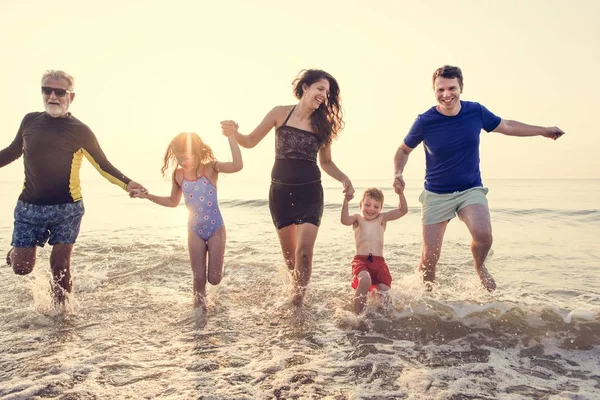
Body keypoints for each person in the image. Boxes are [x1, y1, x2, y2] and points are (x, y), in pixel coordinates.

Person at [393, 65, 565, 292]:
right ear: (434, 91)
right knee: (429, 259)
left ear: (461, 87)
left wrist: (542, 130)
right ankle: (429, 303)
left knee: (483, 235)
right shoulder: (425, 121)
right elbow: (403, 150)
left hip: (469, 189)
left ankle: (479, 266)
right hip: (436, 193)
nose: (446, 94)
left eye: (451, 88)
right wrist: (398, 173)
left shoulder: (475, 112)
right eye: (440, 90)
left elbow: (507, 125)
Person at [0, 70, 146, 304]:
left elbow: (103, 164)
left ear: (71, 96)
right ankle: (17, 251)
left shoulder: (80, 131)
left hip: (67, 209)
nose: (53, 96)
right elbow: (12, 151)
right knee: (22, 268)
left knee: (60, 266)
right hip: (29, 207)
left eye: (60, 92)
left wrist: (128, 183)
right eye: (47, 90)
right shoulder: (30, 121)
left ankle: (63, 316)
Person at [221, 69, 355, 306]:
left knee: (304, 253)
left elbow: (325, 162)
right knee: (292, 261)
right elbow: (250, 141)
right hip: (281, 193)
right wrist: (234, 133)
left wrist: (344, 178)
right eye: (320, 89)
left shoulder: (323, 125)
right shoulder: (279, 114)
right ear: (305, 87)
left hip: (310, 192)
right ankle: (297, 296)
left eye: (327, 92)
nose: (324, 95)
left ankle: (298, 306)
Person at [130, 131, 242, 309]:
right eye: (178, 158)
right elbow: (173, 202)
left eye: (186, 158)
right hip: (194, 230)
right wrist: (147, 196)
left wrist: (231, 137)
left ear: (196, 152)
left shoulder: (211, 168)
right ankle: (199, 317)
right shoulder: (178, 175)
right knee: (198, 278)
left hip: (215, 229)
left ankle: (221, 269)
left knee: (213, 279)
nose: (182, 162)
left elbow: (237, 165)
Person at [341, 188, 408, 313]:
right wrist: (346, 201)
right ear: (360, 205)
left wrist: (400, 193)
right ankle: (357, 315)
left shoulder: (382, 218)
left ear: (381, 208)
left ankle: (381, 317)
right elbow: (344, 220)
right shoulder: (357, 219)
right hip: (361, 261)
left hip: (379, 262)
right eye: (367, 205)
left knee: (384, 291)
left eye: (376, 206)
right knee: (365, 279)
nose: (371, 209)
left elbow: (403, 210)